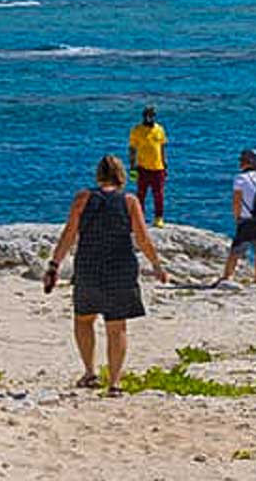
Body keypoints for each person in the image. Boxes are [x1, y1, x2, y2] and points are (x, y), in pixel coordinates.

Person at [43, 154, 168, 396]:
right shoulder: (130, 201)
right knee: (116, 326)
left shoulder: (83, 198)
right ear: (122, 176)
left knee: (83, 319)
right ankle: (115, 383)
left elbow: (69, 235)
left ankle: (90, 373)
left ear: (98, 175)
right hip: (121, 269)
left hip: (89, 267)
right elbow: (142, 239)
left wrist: (54, 265)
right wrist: (157, 266)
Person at [217, 148, 256, 286]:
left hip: (246, 219)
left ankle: (227, 276)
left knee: (236, 250)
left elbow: (237, 200)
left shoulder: (240, 179)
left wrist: (236, 217)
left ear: (245, 162)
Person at [128, 105, 168, 227]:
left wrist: (165, 164)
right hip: (142, 167)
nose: (150, 117)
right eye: (147, 115)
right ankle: (140, 218)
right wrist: (132, 167)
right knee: (140, 195)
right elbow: (132, 149)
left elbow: (162, 148)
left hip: (158, 168)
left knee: (159, 195)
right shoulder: (136, 130)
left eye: (152, 115)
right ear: (144, 116)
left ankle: (158, 217)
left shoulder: (160, 129)